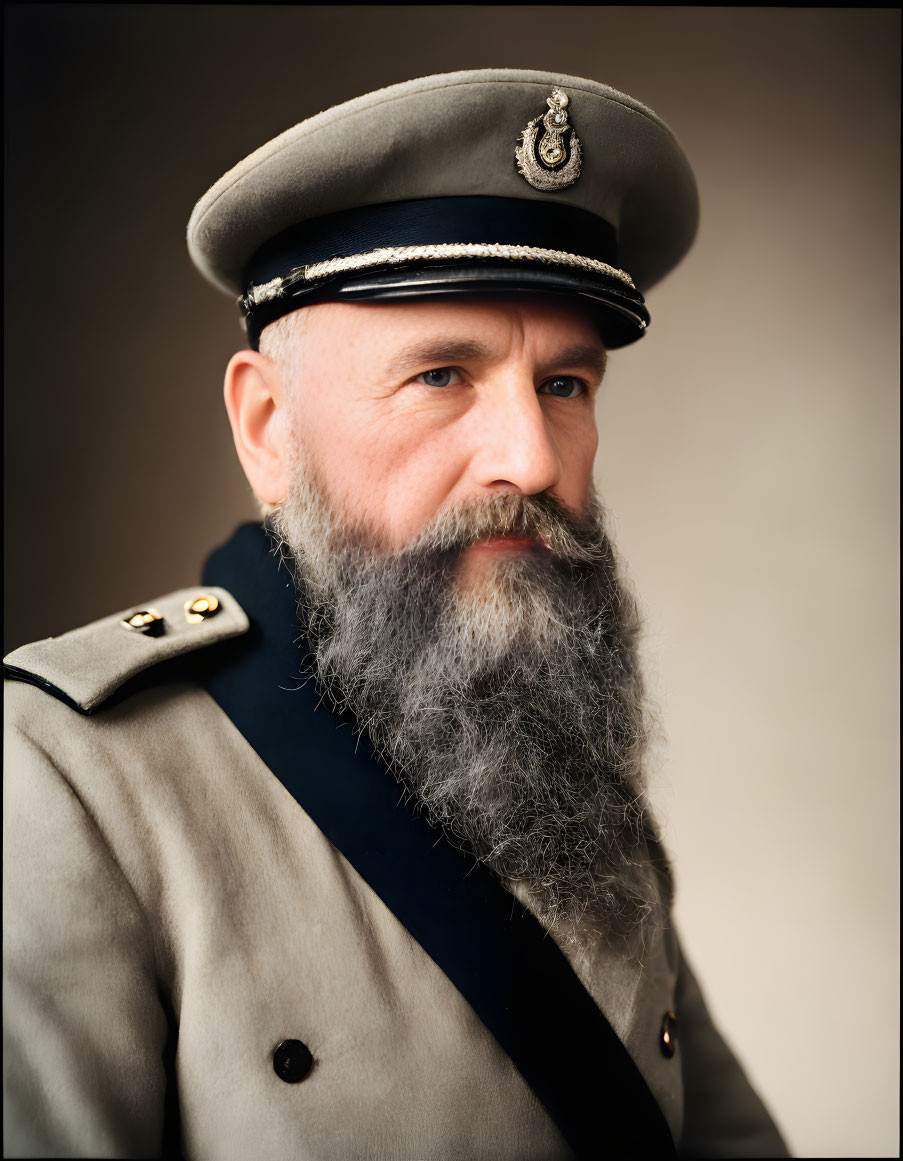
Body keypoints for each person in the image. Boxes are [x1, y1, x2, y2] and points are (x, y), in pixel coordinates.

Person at [3, 69, 788, 1159]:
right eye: (441, 376)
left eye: (565, 384)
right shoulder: (60, 780)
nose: (530, 457)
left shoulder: (559, 755)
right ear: (269, 429)